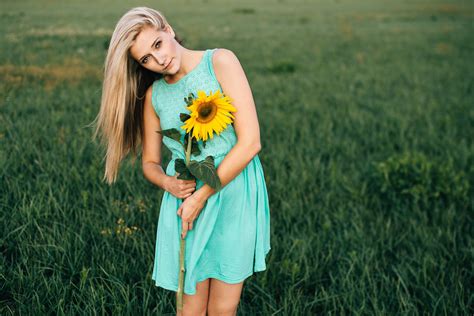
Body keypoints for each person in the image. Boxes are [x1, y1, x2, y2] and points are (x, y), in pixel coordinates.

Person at [92, 6, 271, 316]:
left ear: (169, 29)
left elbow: (250, 142)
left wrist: (202, 195)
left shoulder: (220, 62)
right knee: (189, 307)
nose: (158, 60)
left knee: (223, 307)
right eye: (146, 59)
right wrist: (168, 183)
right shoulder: (155, 96)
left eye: (157, 44)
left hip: (232, 192)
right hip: (186, 205)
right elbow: (150, 162)